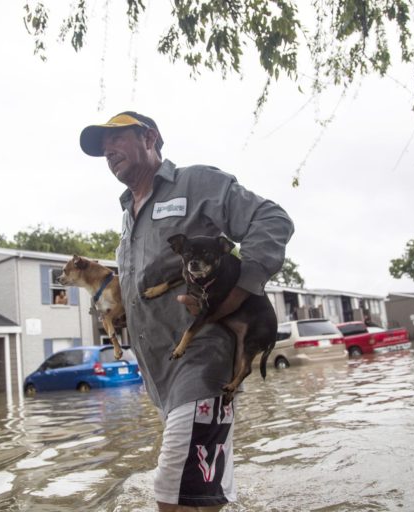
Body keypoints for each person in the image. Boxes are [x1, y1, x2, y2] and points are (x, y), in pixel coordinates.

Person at [79, 111, 294, 511]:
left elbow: (272, 219)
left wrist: (239, 292)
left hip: (203, 367)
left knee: (170, 496)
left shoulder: (196, 183)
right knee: (199, 496)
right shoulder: (128, 218)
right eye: (102, 149)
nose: (107, 151)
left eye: (116, 139)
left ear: (149, 138)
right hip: (161, 381)